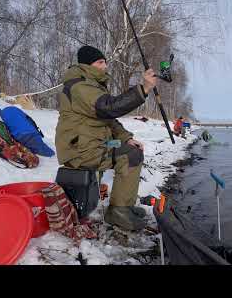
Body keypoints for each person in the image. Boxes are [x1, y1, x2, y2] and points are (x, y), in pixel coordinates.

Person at [55, 45, 157, 231]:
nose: (105, 66)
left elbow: (107, 118)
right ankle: (117, 212)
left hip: (94, 143)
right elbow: (109, 108)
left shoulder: (90, 85)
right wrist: (143, 89)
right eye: (100, 62)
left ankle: (122, 208)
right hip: (80, 149)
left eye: (105, 62)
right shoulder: (79, 86)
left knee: (132, 150)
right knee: (129, 155)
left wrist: (126, 138)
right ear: (87, 65)